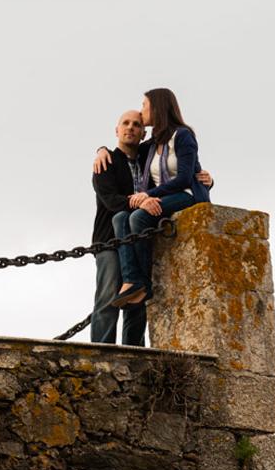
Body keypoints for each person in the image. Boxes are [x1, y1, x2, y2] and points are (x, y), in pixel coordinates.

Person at [90, 107, 212, 345]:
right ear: (116, 130)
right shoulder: (106, 162)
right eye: (125, 123)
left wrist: (207, 178)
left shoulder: (149, 155)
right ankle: (100, 353)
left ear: (143, 134)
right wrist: (101, 149)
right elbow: (111, 200)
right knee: (107, 298)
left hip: (139, 233)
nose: (130, 128)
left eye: (137, 124)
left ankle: (132, 352)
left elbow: (177, 170)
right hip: (110, 240)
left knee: (137, 297)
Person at [107, 88, 210, 309]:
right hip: (165, 196)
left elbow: (185, 177)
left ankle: (143, 282)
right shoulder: (152, 144)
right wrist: (101, 150)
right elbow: (126, 146)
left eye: (144, 105)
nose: (142, 111)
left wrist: (147, 195)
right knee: (123, 218)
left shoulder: (182, 135)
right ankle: (131, 279)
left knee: (139, 218)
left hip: (187, 195)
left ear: (157, 107)